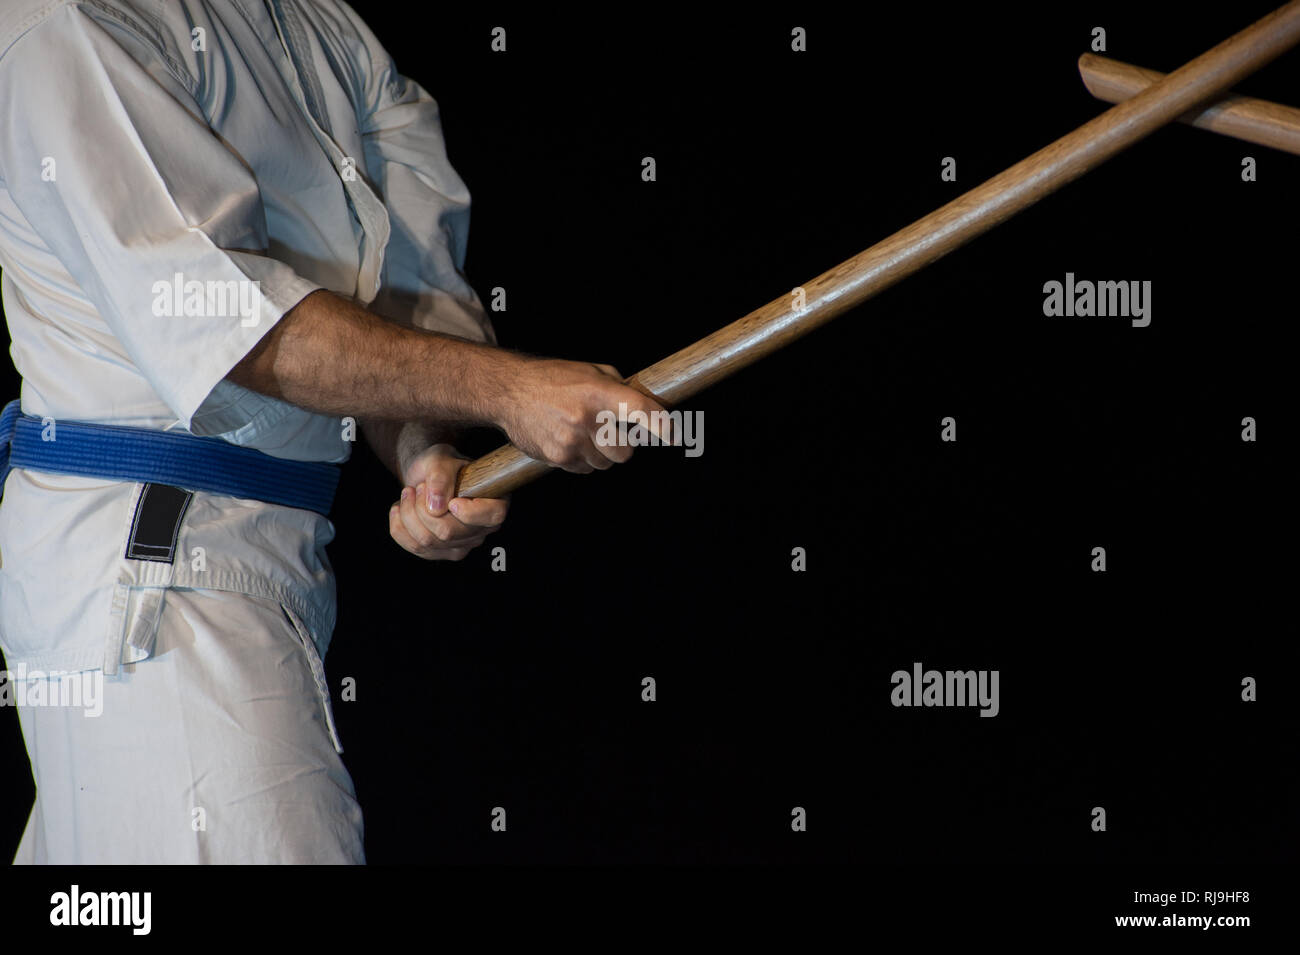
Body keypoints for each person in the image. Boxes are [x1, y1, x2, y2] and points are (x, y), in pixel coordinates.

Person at [0, 0, 662, 863]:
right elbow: (235, 325)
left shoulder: (330, 31)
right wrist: (513, 390)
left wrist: (423, 450)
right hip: (153, 581)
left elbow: (405, 306)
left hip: (271, 565)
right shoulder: (74, 18)